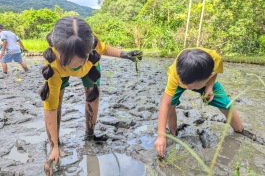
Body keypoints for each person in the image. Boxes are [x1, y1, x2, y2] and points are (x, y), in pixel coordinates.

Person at [40, 16, 142, 175]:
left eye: (80, 60)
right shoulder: (53, 62)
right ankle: (55, 142)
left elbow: (105, 49)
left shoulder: (90, 41)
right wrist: (54, 147)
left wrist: (124, 54)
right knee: (56, 101)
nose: (75, 66)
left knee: (93, 98)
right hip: (59, 72)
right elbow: (50, 108)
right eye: (69, 61)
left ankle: (90, 135)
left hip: (90, 70)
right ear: (56, 49)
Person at [154, 47, 245, 157]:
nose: (189, 89)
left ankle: (240, 130)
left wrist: (210, 87)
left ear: (208, 77)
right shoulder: (175, 76)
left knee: (226, 104)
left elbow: (215, 72)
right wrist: (161, 136)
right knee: (170, 105)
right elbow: (165, 104)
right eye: (186, 85)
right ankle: (173, 132)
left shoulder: (216, 59)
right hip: (180, 81)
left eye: (193, 87)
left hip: (203, 79)